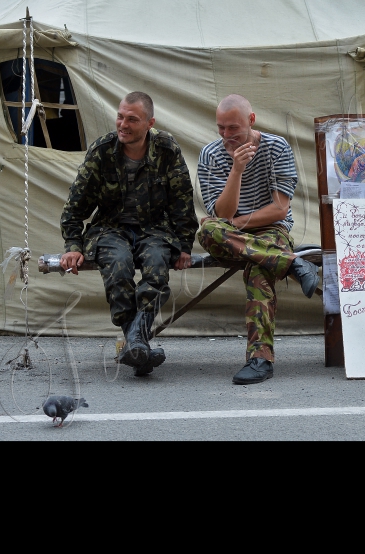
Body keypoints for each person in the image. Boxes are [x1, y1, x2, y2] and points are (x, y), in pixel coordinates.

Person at [60, 92, 198, 377]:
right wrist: (73, 245)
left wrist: (184, 245)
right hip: (110, 228)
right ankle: (137, 343)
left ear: (150, 123)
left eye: (132, 119)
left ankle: (135, 346)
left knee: (157, 266)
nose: (123, 124)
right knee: (118, 267)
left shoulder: (167, 149)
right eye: (120, 116)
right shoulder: (102, 151)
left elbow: (182, 200)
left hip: (155, 228)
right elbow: (75, 206)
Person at [197, 94, 320, 385]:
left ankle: (260, 360)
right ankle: (293, 263)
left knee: (259, 269)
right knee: (207, 230)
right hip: (230, 237)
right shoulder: (211, 155)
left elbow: (279, 209)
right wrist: (236, 170)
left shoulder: (276, 147)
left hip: (270, 232)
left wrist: (235, 225)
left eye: (233, 128)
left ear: (251, 121)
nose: (226, 135)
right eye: (221, 128)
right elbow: (221, 214)